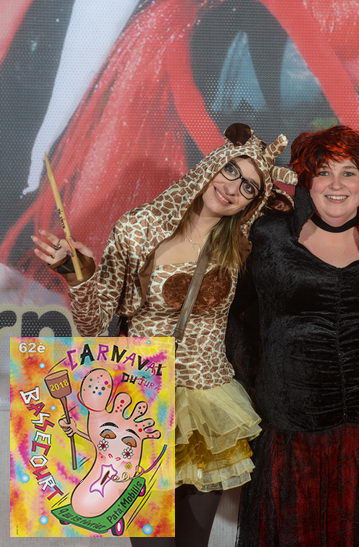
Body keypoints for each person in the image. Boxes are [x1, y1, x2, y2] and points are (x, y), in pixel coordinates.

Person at [32, 122, 296, 546]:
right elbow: (93, 324)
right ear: (211, 165)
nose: (232, 188)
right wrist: (76, 274)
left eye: (249, 187)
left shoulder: (244, 243)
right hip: (141, 401)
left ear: (254, 202)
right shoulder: (138, 228)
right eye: (230, 170)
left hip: (208, 403)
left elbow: (319, 225)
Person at [227, 125, 359, 546]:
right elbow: (234, 314)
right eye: (324, 172)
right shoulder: (267, 236)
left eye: (349, 173)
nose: (336, 185)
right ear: (306, 181)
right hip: (294, 428)